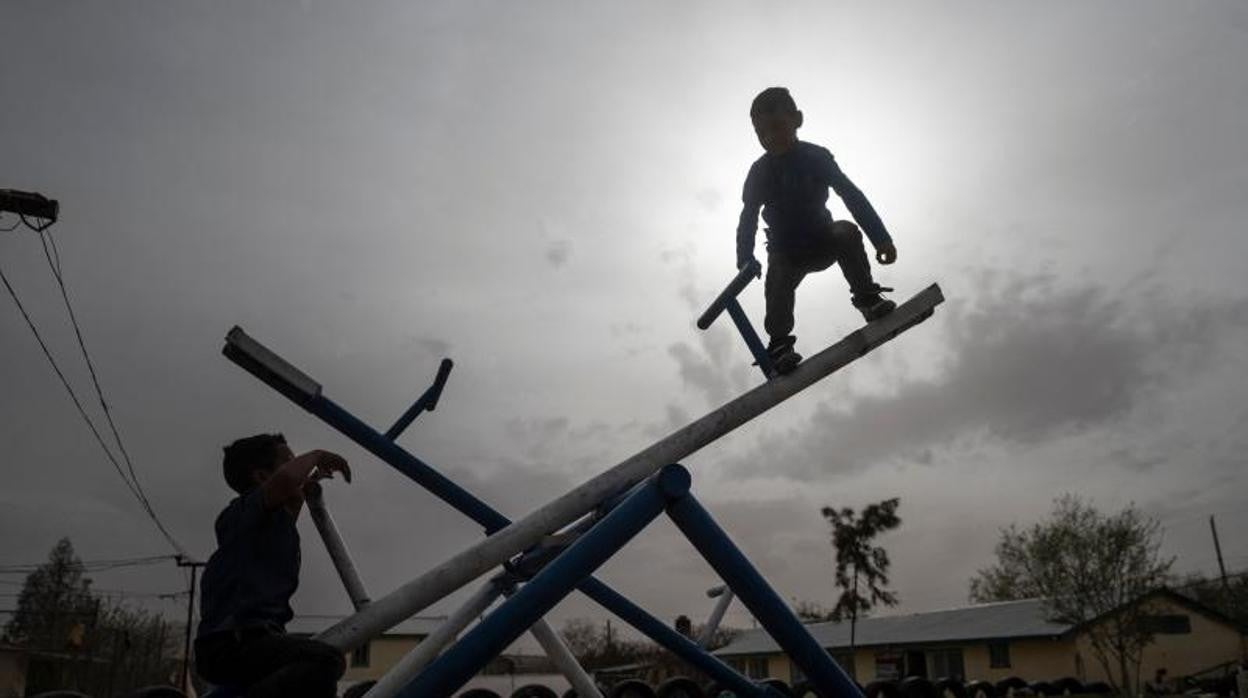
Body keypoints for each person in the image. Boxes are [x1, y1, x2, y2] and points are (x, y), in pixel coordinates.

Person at [736, 86, 899, 373]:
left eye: (777, 128)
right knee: (778, 280)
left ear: (797, 119)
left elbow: (850, 194)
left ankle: (867, 299)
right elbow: (748, 216)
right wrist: (745, 259)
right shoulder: (759, 172)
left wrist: (881, 239)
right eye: (762, 135)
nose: (771, 138)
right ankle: (779, 343)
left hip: (823, 239)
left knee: (845, 231)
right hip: (786, 252)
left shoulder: (816, 156)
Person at [194, 433, 352, 697]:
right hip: (228, 644)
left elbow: (291, 493)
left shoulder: (279, 524)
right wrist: (317, 455)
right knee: (325, 660)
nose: (301, 469)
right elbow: (287, 480)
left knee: (311, 667)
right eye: (290, 461)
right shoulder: (240, 514)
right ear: (262, 477)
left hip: (255, 642)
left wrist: (309, 481)